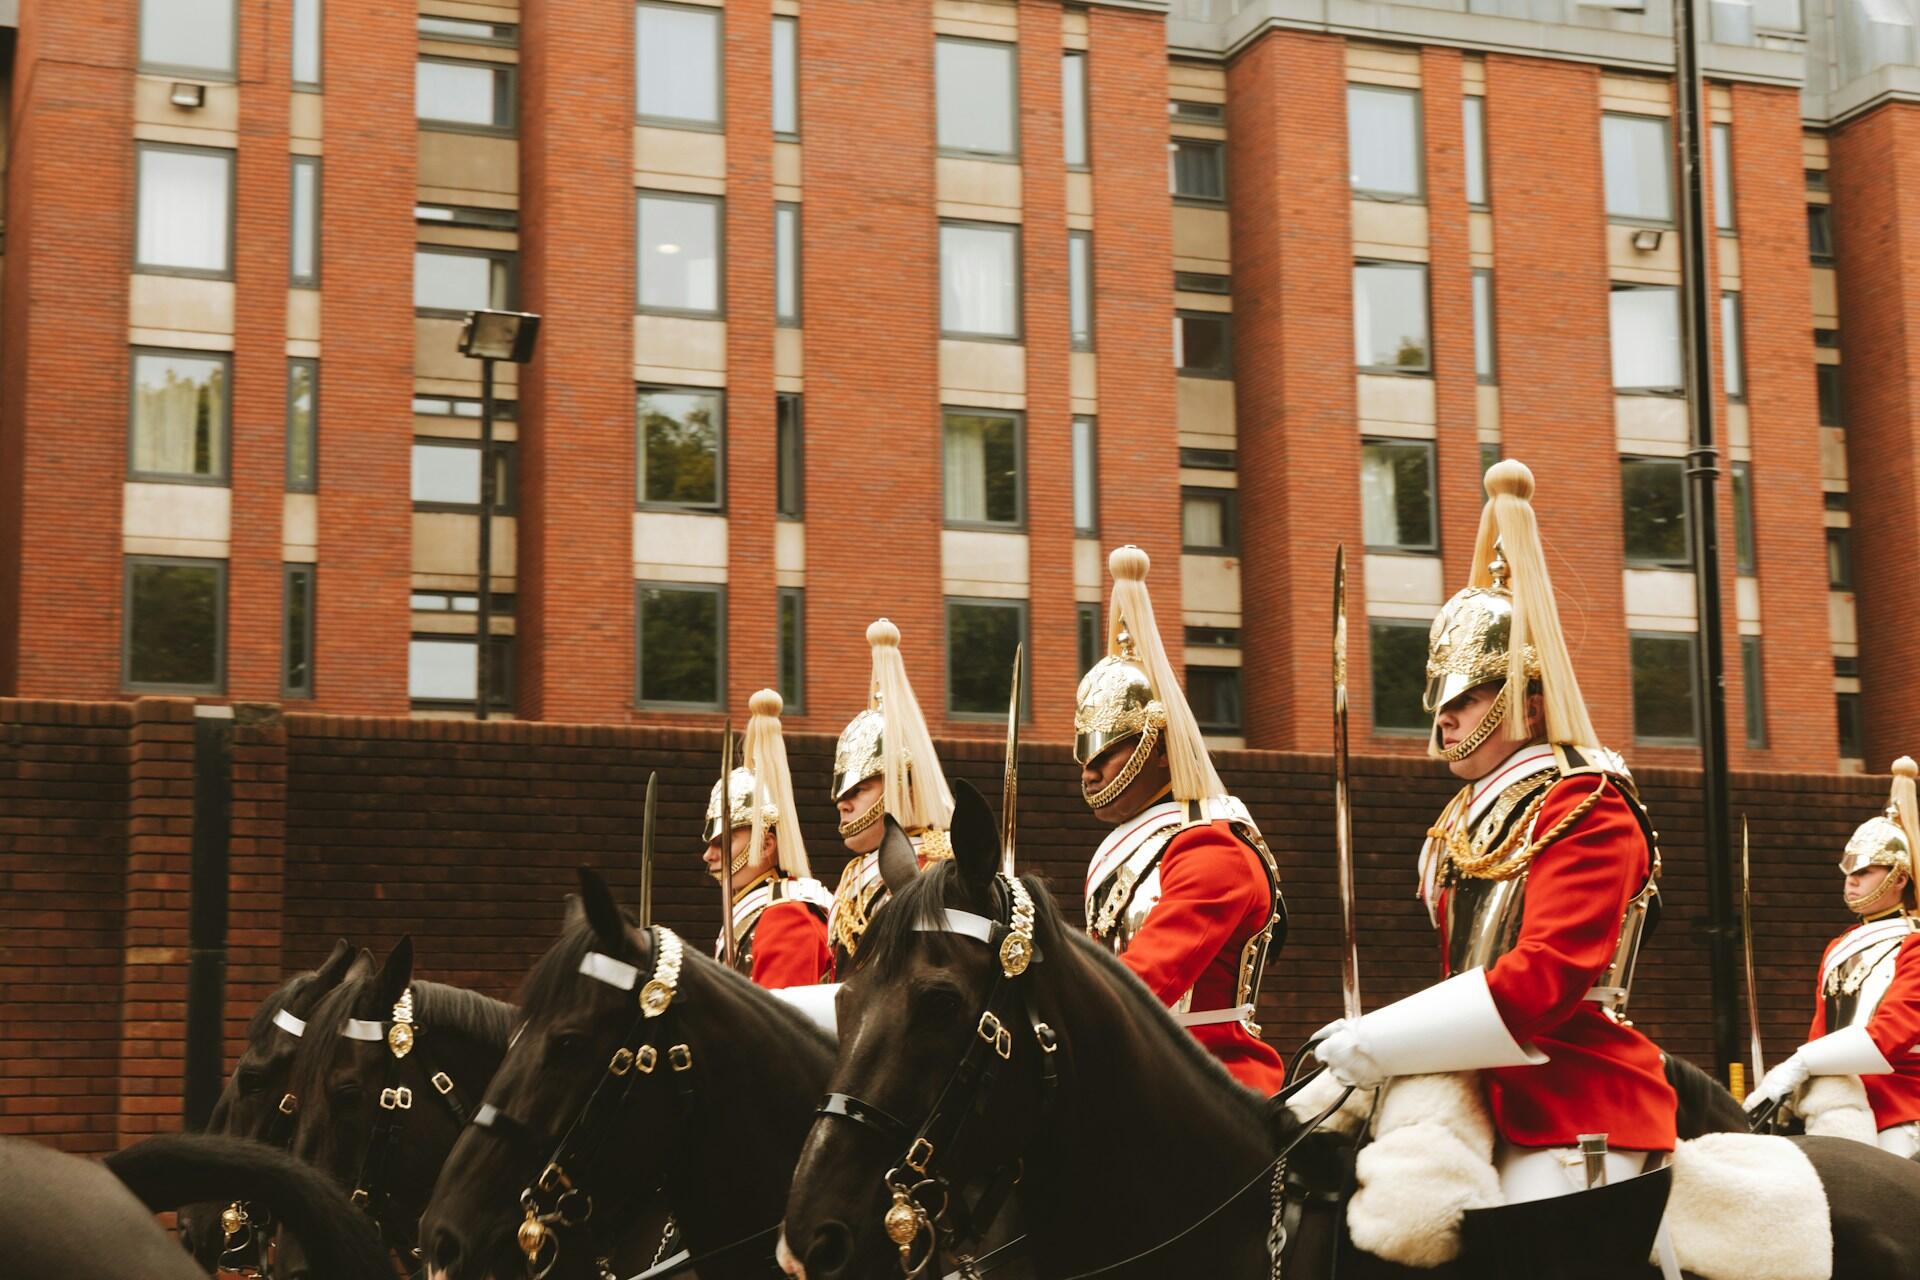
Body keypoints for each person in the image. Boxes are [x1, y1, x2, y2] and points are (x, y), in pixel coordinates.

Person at [1313, 460, 1677, 1204]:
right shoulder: (1465, 818)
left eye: (1471, 698)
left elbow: (1545, 979)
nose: (1445, 716)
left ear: (1534, 708)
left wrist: (1381, 1039)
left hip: (1573, 1095)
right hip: (1463, 1086)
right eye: (1442, 700)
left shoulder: (1587, 803)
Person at [1075, 545, 1288, 1095]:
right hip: (1136, 1073)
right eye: (1086, 757)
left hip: (1211, 1081)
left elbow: (1143, 981)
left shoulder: (1210, 851)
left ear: (1161, 749)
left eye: (1108, 754)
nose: (1091, 773)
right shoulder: (1137, 847)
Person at [1745, 757, 1920, 1156]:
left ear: (1900, 877)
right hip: (1839, 1100)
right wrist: (1797, 1084)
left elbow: (1889, 1037)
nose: (1852, 880)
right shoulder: (1839, 946)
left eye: (1866, 870)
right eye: (1848, 870)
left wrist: (1799, 1064)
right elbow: (1821, 1035)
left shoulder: (1915, 944)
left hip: (1903, 1105)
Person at [826, 619, 954, 966]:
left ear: (901, 784)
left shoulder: (938, 864)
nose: (843, 803)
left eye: (860, 789)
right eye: (842, 793)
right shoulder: (852, 874)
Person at [704, 689, 834, 989]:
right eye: (709, 844)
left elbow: (776, 1023)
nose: (708, 855)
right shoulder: (757, 909)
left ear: (766, 845)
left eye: (723, 842)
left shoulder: (787, 915)